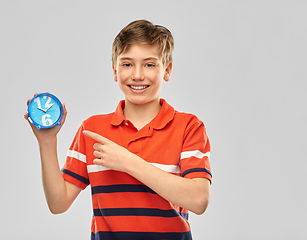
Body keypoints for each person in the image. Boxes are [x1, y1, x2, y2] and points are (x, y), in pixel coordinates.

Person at [25, 19, 212, 240]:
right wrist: (47, 142)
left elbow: (199, 200)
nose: (137, 75)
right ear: (115, 71)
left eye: (149, 64)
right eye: (127, 64)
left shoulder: (188, 127)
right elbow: (58, 203)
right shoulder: (92, 130)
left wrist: (127, 162)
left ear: (167, 70)